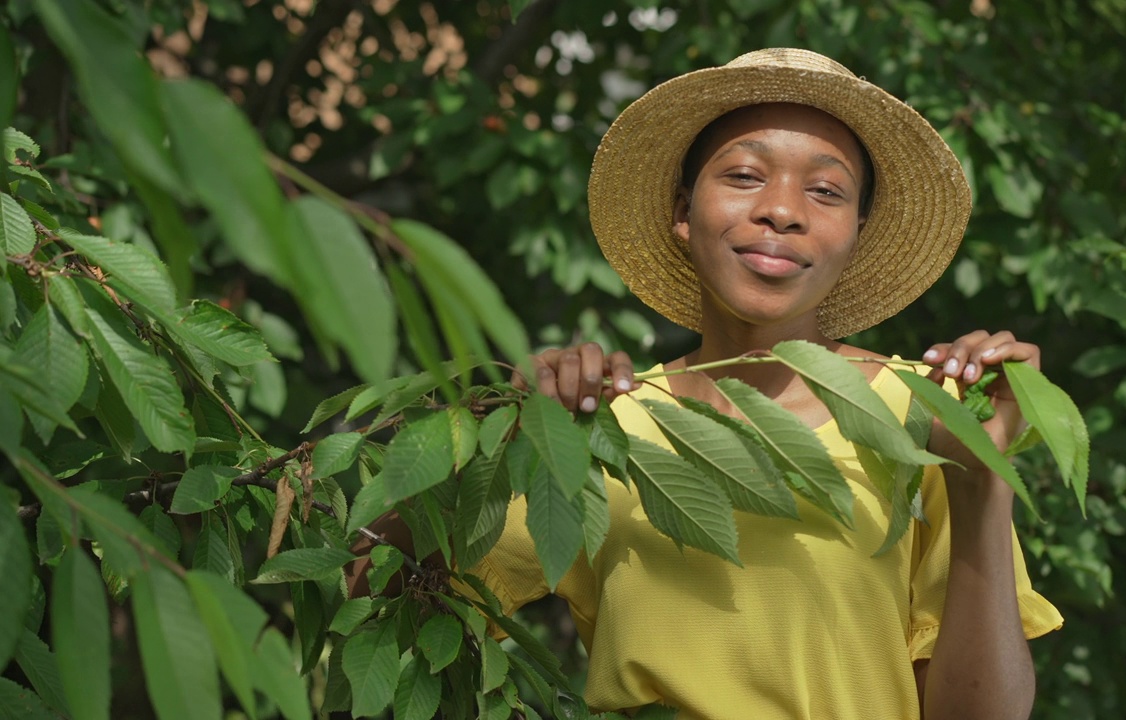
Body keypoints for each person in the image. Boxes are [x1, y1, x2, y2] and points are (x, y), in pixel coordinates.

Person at [351, 48, 1062, 719]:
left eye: (825, 190)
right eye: (746, 176)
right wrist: (497, 439)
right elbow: (371, 590)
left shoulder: (925, 416)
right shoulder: (605, 425)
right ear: (684, 212)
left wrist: (981, 483)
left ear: (856, 233)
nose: (782, 210)